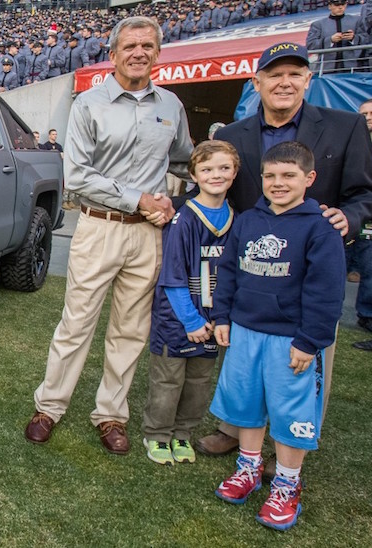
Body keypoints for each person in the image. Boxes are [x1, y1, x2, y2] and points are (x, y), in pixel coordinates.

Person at [24, 16, 194, 455]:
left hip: (148, 236)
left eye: (147, 46)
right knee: (76, 323)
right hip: (99, 227)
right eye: (130, 46)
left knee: (130, 330)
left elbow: (182, 163)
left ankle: (111, 415)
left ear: (158, 52)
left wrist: (179, 197)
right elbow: (77, 176)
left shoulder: (171, 106)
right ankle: (49, 407)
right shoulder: (89, 104)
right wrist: (139, 199)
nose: (139, 53)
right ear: (113, 53)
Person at [198, 42, 372, 456]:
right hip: (253, 272)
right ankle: (235, 429)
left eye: (295, 73)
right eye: (275, 75)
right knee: (245, 354)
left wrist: (350, 217)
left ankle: (291, 439)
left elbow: (364, 192)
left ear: (309, 80)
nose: (285, 82)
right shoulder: (231, 135)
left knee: (305, 359)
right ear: (256, 82)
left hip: (312, 272)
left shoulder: (345, 126)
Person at [210, 141, 345, 531]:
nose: (278, 183)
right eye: (270, 176)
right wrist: (223, 316)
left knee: (289, 413)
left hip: (290, 341)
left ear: (309, 178)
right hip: (246, 333)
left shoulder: (320, 228)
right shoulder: (249, 221)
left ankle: (287, 484)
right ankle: (248, 469)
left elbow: (326, 290)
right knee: (247, 405)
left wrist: (309, 340)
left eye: (288, 176)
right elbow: (229, 272)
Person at [142, 140, 238, 466]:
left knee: (198, 382)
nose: (216, 175)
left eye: (224, 168)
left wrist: (219, 318)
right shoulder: (184, 218)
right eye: (208, 169)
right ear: (194, 172)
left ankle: (183, 433)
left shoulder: (235, 219)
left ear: (235, 172)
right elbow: (172, 276)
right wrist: (191, 320)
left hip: (213, 320)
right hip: (178, 318)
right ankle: (157, 434)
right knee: (168, 380)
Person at [352, 98, 372, 351]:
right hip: (361, 218)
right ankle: (365, 314)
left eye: (371, 113)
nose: (367, 117)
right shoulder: (357, 142)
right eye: (363, 113)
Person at [306, 0, 364, 74]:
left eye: (343, 4)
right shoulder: (318, 25)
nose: (340, 7)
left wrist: (353, 38)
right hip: (327, 70)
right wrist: (330, 40)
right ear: (330, 6)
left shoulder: (357, 20)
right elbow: (310, 44)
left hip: (352, 68)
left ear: (346, 5)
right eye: (337, 5)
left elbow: (366, 39)